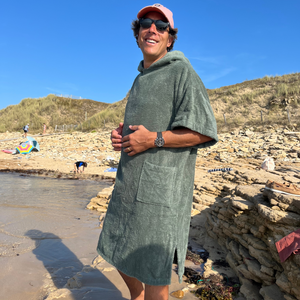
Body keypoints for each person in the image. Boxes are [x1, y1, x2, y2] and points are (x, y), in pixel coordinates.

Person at [97, 4, 218, 300]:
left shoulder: (182, 72)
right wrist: (122, 133)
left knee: (154, 271)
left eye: (161, 26)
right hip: (129, 184)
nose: (153, 29)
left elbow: (204, 131)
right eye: (146, 23)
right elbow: (148, 123)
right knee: (114, 245)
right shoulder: (140, 78)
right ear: (137, 33)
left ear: (170, 38)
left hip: (161, 193)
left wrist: (153, 140)